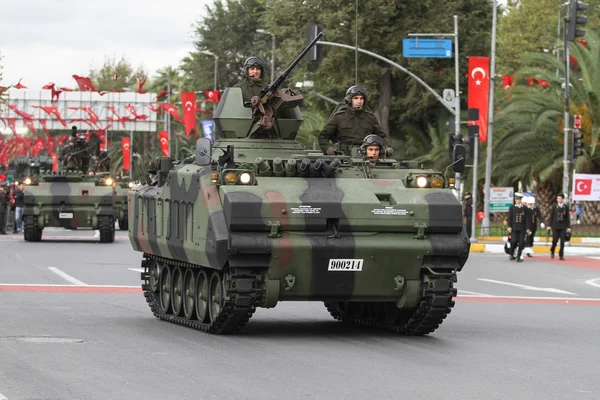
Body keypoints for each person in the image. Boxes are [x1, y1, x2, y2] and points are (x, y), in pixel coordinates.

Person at [318, 86, 393, 156]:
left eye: (361, 98)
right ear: (349, 100)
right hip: (342, 155)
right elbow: (323, 136)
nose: (359, 101)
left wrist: (387, 148)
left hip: (364, 156)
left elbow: (382, 136)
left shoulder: (370, 118)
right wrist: (328, 148)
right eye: (356, 98)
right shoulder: (339, 117)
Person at [507, 193, 531, 262]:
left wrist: (528, 228)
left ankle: (518, 257)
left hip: (522, 228)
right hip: (514, 228)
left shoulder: (524, 208)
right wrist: (509, 226)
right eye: (516, 199)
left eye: (518, 199)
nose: (517, 201)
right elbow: (510, 218)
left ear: (520, 200)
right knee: (513, 241)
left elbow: (527, 219)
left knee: (521, 243)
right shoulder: (512, 207)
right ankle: (511, 254)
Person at [547, 193, 571, 260]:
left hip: (563, 226)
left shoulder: (565, 207)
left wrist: (568, 227)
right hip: (555, 226)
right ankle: (552, 250)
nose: (558, 200)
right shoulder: (554, 206)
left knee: (562, 242)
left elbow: (567, 218)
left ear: (562, 199)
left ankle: (561, 255)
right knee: (555, 240)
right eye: (558, 198)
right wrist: (549, 225)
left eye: (560, 198)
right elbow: (551, 216)